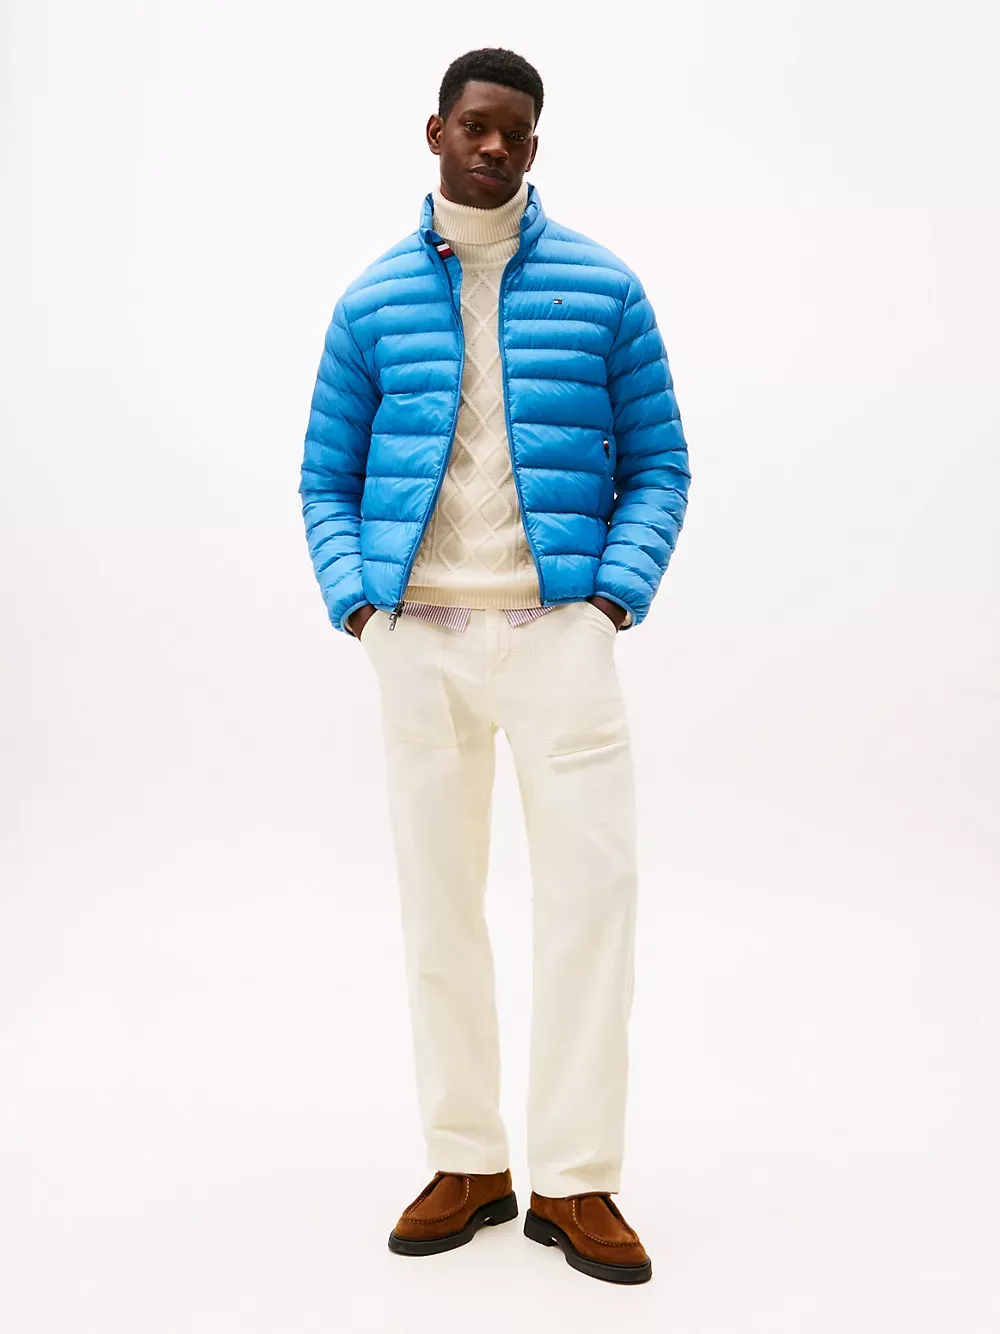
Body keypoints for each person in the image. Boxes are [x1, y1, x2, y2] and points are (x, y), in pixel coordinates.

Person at [298, 46, 691, 1286]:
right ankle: (466, 1159)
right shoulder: (369, 302)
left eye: (514, 131)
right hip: (419, 643)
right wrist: (362, 608)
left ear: (533, 143)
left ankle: (574, 1177)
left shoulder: (605, 287)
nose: (492, 147)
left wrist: (609, 599)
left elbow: (661, 461)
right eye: (474, 125)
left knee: (590, 904)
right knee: (438, 908)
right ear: (436, 131)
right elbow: (323, 475)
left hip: (558, 637)